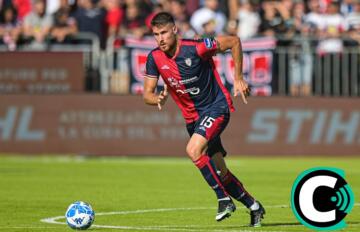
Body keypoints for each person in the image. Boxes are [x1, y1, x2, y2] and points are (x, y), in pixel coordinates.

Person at [142, 12, 265, 227]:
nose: (160, 39)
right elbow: (147, 94)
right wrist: (157, 98)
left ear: (174, 30)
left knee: (193, 150)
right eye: (155, 34)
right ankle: (254, 206)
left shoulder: (197, 47)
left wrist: (238, 78)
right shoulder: (154, 58)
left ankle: (223, 200)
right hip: (193, 119)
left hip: (216, 107)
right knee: (220, 171)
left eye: (163, 33)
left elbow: (234, 41)